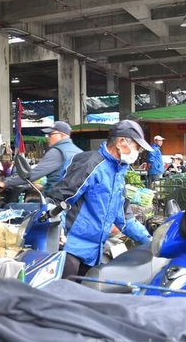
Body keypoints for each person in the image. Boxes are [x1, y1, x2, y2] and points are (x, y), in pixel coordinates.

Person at [49, 120, 152, 279]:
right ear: (121, 142)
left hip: (94, 252)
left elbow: (125, 218)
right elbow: (59, 200)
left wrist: (151, 242)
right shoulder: (90, 164)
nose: (138, 152)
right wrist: (58, 233)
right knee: (63, 296)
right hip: (70, 248)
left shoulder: (118, 173)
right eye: (137, 147)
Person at [0, 121, 81, 201]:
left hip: (55, 200)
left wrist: (6, 182)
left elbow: (33, 174)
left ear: (62, 135)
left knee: (15, 208)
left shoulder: (57, 151)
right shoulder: (78, 151)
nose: (47, 137)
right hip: (73, 198)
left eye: (51, 134)